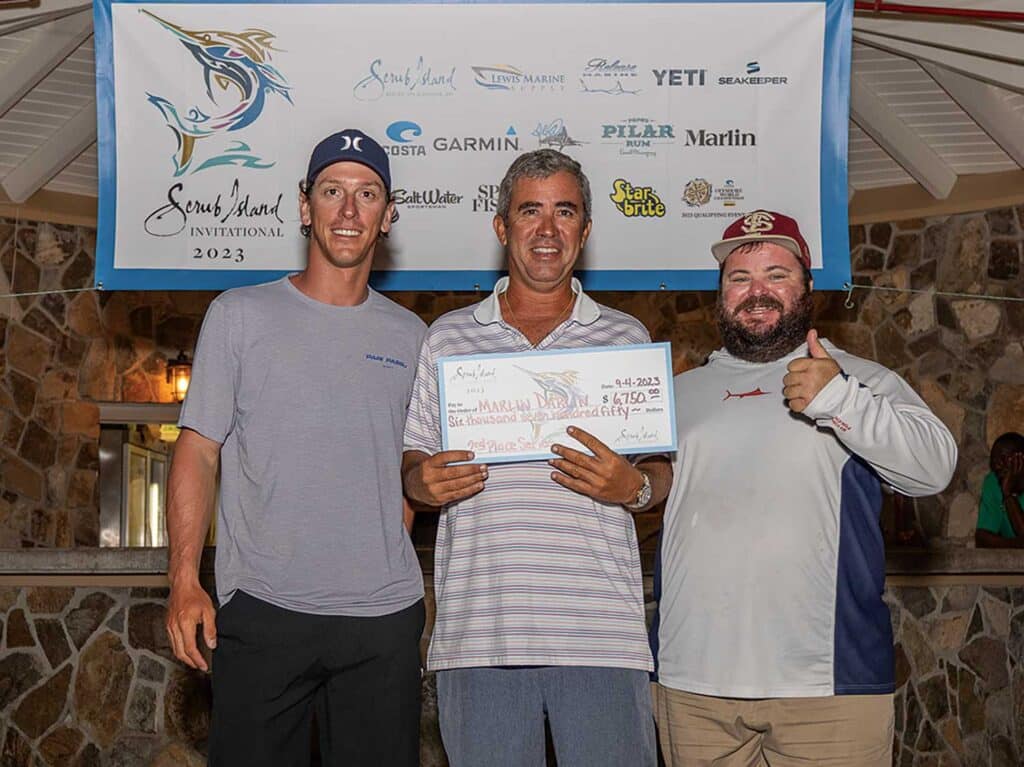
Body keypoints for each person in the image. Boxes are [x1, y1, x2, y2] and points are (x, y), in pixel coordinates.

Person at [653, 210, 957, 766]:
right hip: (690, 684)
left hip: (827, 688)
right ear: (720, 294)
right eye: (739, 278)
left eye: (777, 274)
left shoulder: (859, 379)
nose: (757, 292)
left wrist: (841, 399)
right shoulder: (680, 392)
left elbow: (934, 468)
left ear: (808, 287)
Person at [164, 129, 426, 766]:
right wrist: (182, 580)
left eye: (367, 195)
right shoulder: (239, 314)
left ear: (387, 216)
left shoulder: (414, 335)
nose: (348, 210)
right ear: (304, 206)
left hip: (382, 620)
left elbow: (411, 468)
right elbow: (198, 450)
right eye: (332, 191)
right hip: (263, 613)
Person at [402, 149, 671, 767]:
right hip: (479, 639)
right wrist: (424, 480)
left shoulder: (624, 338)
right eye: (530, 211)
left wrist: (632, 487)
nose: (547, 230)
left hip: (602, 639)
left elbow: (659, 476)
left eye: (565, 212)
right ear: (502, 227)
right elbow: (413, 468)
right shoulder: (448, 337)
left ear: (585, 229)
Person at [975, 431, 1024, 548]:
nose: (997, 466)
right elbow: (982, 538)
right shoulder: (993, 481)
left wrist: (1008, 494)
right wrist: (1016, 545)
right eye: (994, 461)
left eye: (1003, 459)